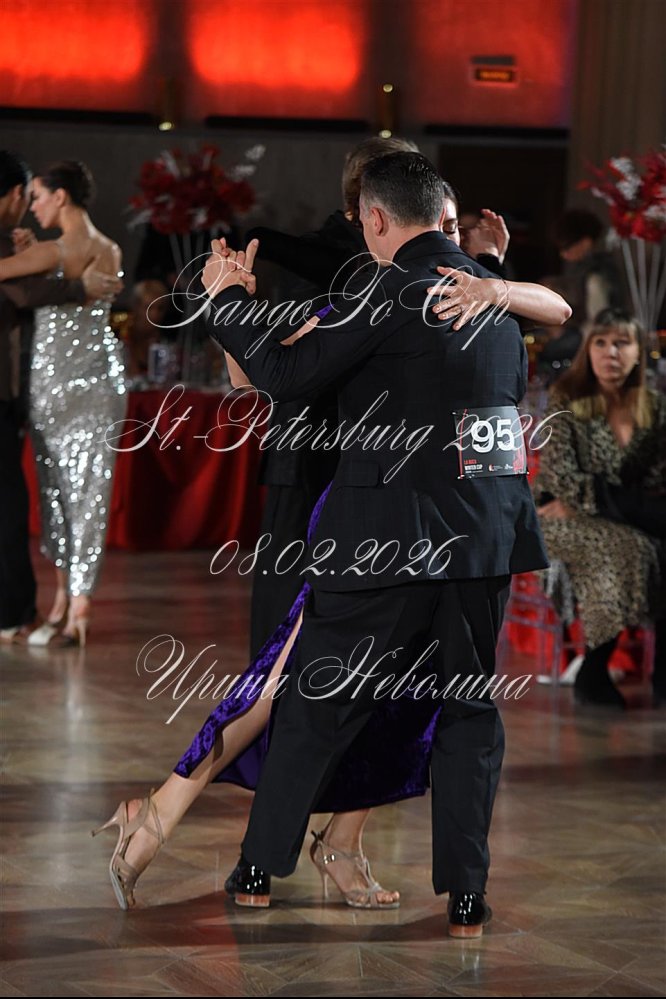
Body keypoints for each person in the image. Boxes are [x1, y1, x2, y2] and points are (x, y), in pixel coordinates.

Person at [92, 162, 570, 926]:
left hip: (387, 539)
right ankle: (466, 892)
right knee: (468, 712)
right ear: (442, 219)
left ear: (374, 220)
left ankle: (258, 865)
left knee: (318, 707)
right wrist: (496, 275)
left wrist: (224, 300)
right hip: (485, 538)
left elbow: (282, 374)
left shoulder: (388, 290)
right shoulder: (493, 295)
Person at [0, 160, 126, 647]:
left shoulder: (52, 251)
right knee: (87, 496)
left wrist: (27, 254)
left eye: (38, 195)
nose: (32, 206)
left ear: (61, 196)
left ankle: (72, 610)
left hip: (56, 388)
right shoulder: (109, 248)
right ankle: (70, 606)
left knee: (59, 496)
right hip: (99, 383)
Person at [536, 308, 666, 708]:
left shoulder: (654, 406)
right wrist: (600, 501)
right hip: (557, 518)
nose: (611, 353)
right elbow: (560, 478)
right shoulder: (566, 398)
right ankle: (594, 667)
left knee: (653, 544)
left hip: (622, 513)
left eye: (621, 343)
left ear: (638, 351)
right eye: (601, 343)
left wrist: (617, 503)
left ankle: (662, 672)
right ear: (588, 350)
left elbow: (658, 479)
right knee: (623, 547)